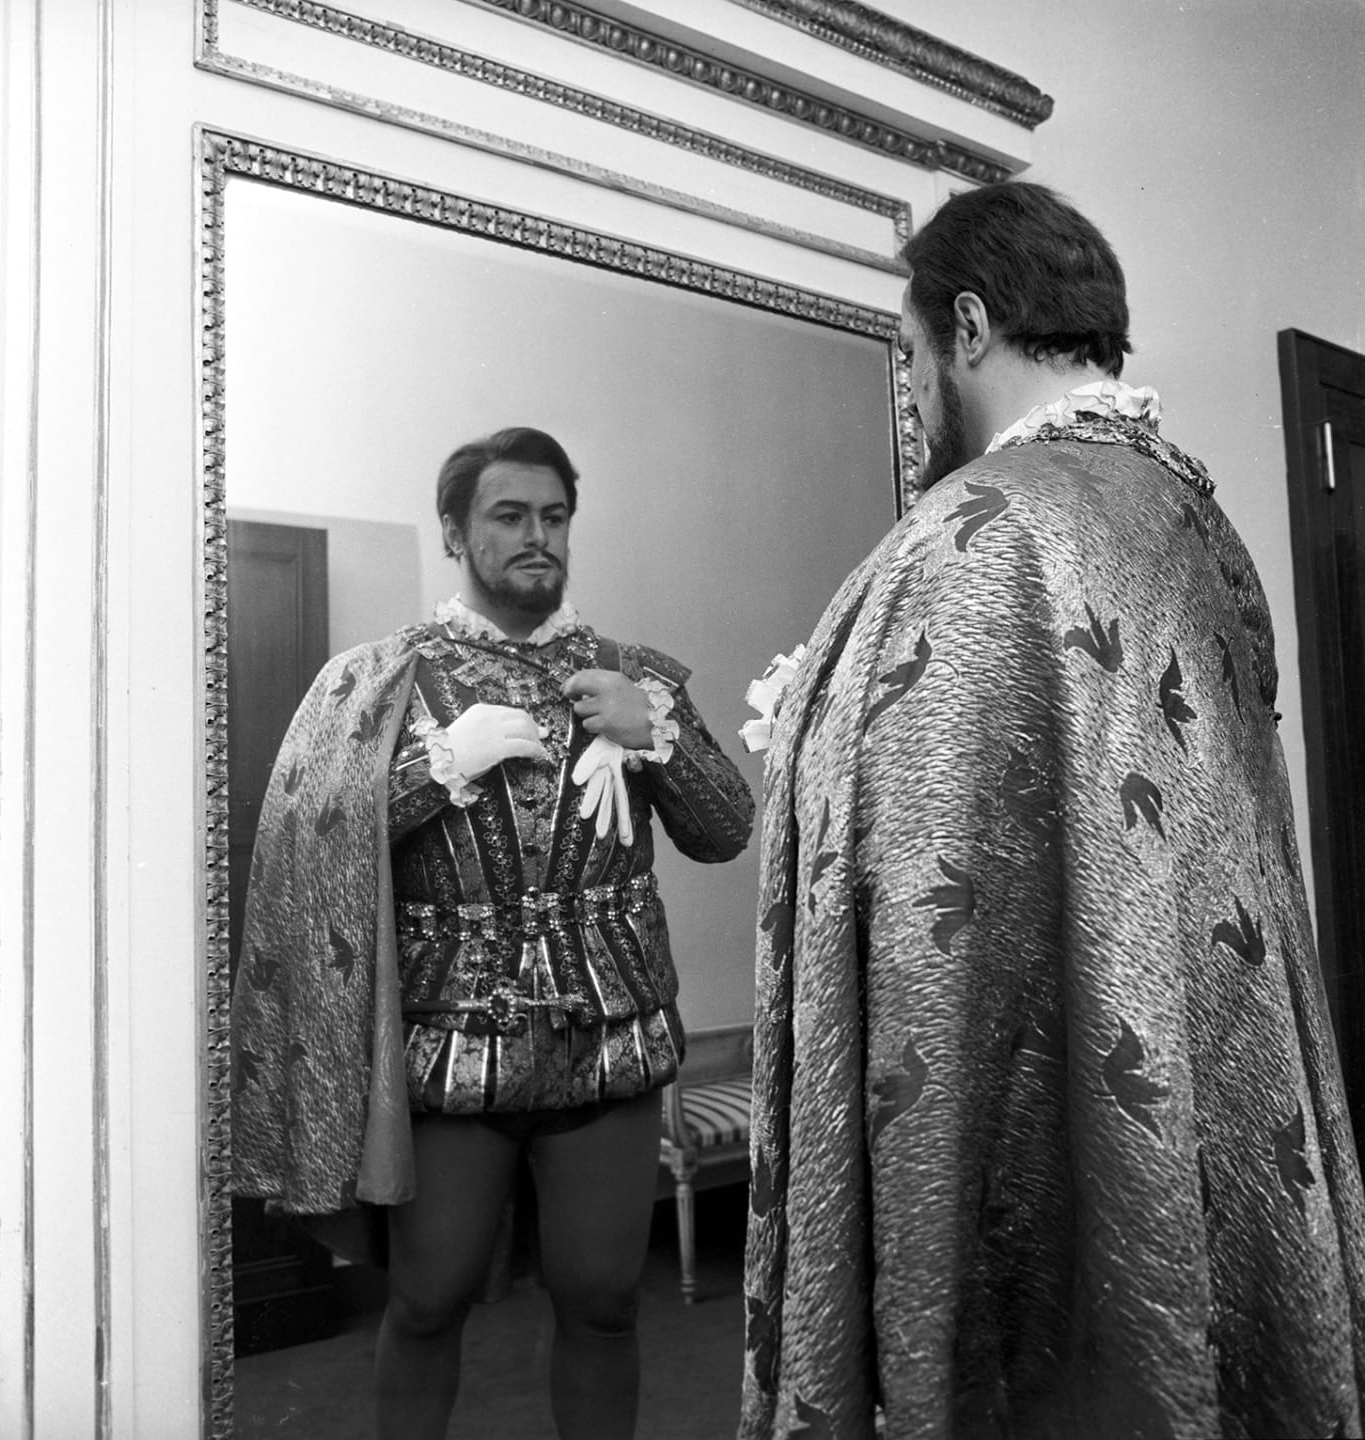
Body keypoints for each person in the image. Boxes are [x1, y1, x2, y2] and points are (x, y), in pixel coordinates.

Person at [740, 183, 1365, 1439]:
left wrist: (802, 733)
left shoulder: (985, 526)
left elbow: (920, 825)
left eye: (912, 358)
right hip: (1199, 1020)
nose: (915, 399)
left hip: (1047, 1057)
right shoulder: (1195, 516)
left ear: (968, 325)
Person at [230, 426, 753, 1440]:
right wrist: (434, 769)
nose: (538, 537)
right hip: (449, 1052)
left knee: (603, 1305)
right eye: (510, 517)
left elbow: (727, 831)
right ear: (455, 532)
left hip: (610, 1041)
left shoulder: (631, 673)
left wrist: (660, 737)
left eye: (554, 518)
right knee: (426, 1305)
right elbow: (303, 849)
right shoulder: (379, 682)